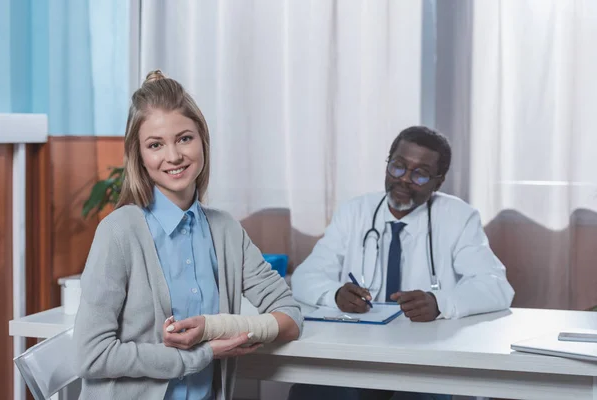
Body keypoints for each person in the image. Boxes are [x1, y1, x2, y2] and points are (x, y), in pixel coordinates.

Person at [73, 70, 302, 400]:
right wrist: (200, 356)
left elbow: (290, 316)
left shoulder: (225, 231)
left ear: (202, 140)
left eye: (184, 138)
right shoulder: (119, 232)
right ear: (139, 155)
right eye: (155, 145)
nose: (174, 156)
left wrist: (215, 329)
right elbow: (91, 355)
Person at [289, 126, 515, 400]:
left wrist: (440, 303)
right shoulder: (354, 212)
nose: (405, 179)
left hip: (426, 359)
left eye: (420, 173)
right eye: (398, 166)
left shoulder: (459, 217)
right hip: (356, 353)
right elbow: (305, 276)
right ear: (388, 164)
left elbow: (496, 287)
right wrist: (334, 294)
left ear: (438, 182)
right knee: (314, 391)